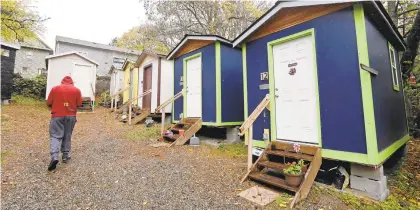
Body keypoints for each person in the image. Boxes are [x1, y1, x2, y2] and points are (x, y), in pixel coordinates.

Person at [46, 76, 82, 171]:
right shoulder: (77, 90)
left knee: (55, 136)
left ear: (62, 82)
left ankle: (54, 157)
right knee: (67, 135)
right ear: (72, 83)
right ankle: (65, 156)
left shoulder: (55, 89)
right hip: (71, 116)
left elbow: (49, 102)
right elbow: (79, 103)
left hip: (57, 116)